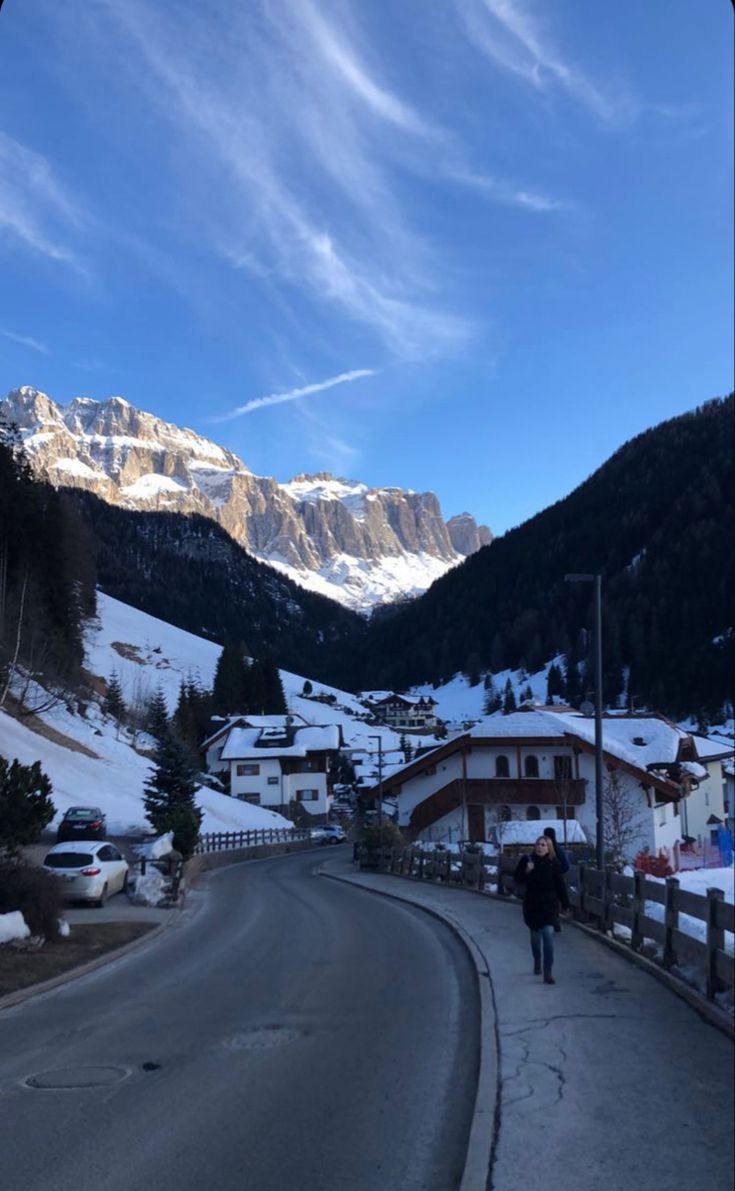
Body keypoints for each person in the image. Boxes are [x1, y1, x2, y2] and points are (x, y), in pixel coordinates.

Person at [514, 836, 570, 984]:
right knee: (535, 938)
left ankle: (548, 972)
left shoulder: (554, 864)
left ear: (549, 848)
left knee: (548, 936)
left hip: (549, 906)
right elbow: (517, 879)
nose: (540, 847)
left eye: (543, 845)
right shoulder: (527, 860)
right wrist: (527, 871)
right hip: (532, 905)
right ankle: (537, 959)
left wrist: (565, 904)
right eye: (538, 844)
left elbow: (560, 885)